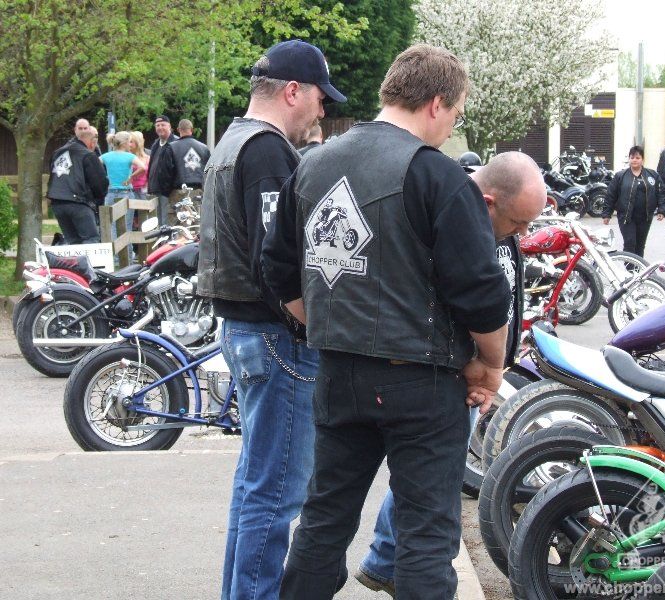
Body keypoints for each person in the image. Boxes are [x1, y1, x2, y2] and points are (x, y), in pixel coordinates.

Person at [262, 43, 512, 600]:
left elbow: (276, 270)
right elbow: (481, 291)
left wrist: (322, 325)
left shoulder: (311, 165)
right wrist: (490, 365)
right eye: (455, 114)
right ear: (437, 103)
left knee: (324, 520)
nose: (451, 127)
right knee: (426, 534)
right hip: (422, 380)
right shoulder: (438, 176)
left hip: (338, 373)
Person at [354, 152, 545, 597]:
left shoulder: (492, 221)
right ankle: (391, 562)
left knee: (431, 477)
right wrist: (478, 363)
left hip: (477, 367)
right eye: (518, 223)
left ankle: (385, 558)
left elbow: (501, 289)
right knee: (430, 485)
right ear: (490, 202)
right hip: (457, 371)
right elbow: (454, 297)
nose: (523, 233)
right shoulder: (454, 215)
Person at [196, 39, 346, 600]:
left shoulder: (233, 141)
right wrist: (309, 323)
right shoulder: (266, 151)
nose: (322, 110)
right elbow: (274, 261)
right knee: (277, 492)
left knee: (256, 487)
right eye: (321, 98)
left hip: (246, 331)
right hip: (275, 337)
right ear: (293, 91)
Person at [601, 145, 665, 257]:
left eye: (637, 158)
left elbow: (661, 192)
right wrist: (607, 214)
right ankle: (629, 267)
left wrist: (662, 210)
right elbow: (611, 195)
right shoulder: (620, 176)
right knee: (630, 243)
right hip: (626, 217)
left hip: (645, 217)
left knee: (640, 245)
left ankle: (639, 267)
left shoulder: (652, 175)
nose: (634, 160)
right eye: (632, 158)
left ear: (642, 159)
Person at [47, 129, 108, 244]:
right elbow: (100, 184)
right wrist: (97, 200)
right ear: (92, 142)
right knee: (91, 239)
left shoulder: (57, 153)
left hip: (57, 202)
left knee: (73, 242)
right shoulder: (88, 154)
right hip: (78, 202)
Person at [100, 131, 147, 250]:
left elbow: (94, 165)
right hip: (126, 193)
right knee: (126, 226)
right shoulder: (130, 156)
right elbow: (143, 167)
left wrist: (104, 178)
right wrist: (131, 177)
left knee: (112, 226)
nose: (130, 144)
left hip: (110, 193)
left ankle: (114, 254)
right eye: (129, 141)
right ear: (125, 143)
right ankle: (127, 254)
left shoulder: (106, 156)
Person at [157, 119, 211, 220]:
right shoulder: (204, 148)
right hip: (198, 193)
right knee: (197, 223)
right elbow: (209, 172)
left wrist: (166, 192)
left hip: (177, 192)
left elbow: (164, 173)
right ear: (192, 129)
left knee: (177, 224)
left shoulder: (171, 148)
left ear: (178, 130)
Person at [147, 115, 179, 224]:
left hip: (168, 191)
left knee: (167, 222)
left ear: (169, 126)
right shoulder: (155, 144)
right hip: (155, 189)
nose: (160, 127)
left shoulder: (175, 143)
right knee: (157, 222)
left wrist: (169, 186)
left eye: (163, 125)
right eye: (157, 125)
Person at [128, 131, 150, 199]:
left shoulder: (148, 158)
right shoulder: (126, 157)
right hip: (129, 192)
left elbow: (151, 176)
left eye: (131, 142)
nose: (129, 144)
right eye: (128, 142)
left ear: (138, 143)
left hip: (144, 192)